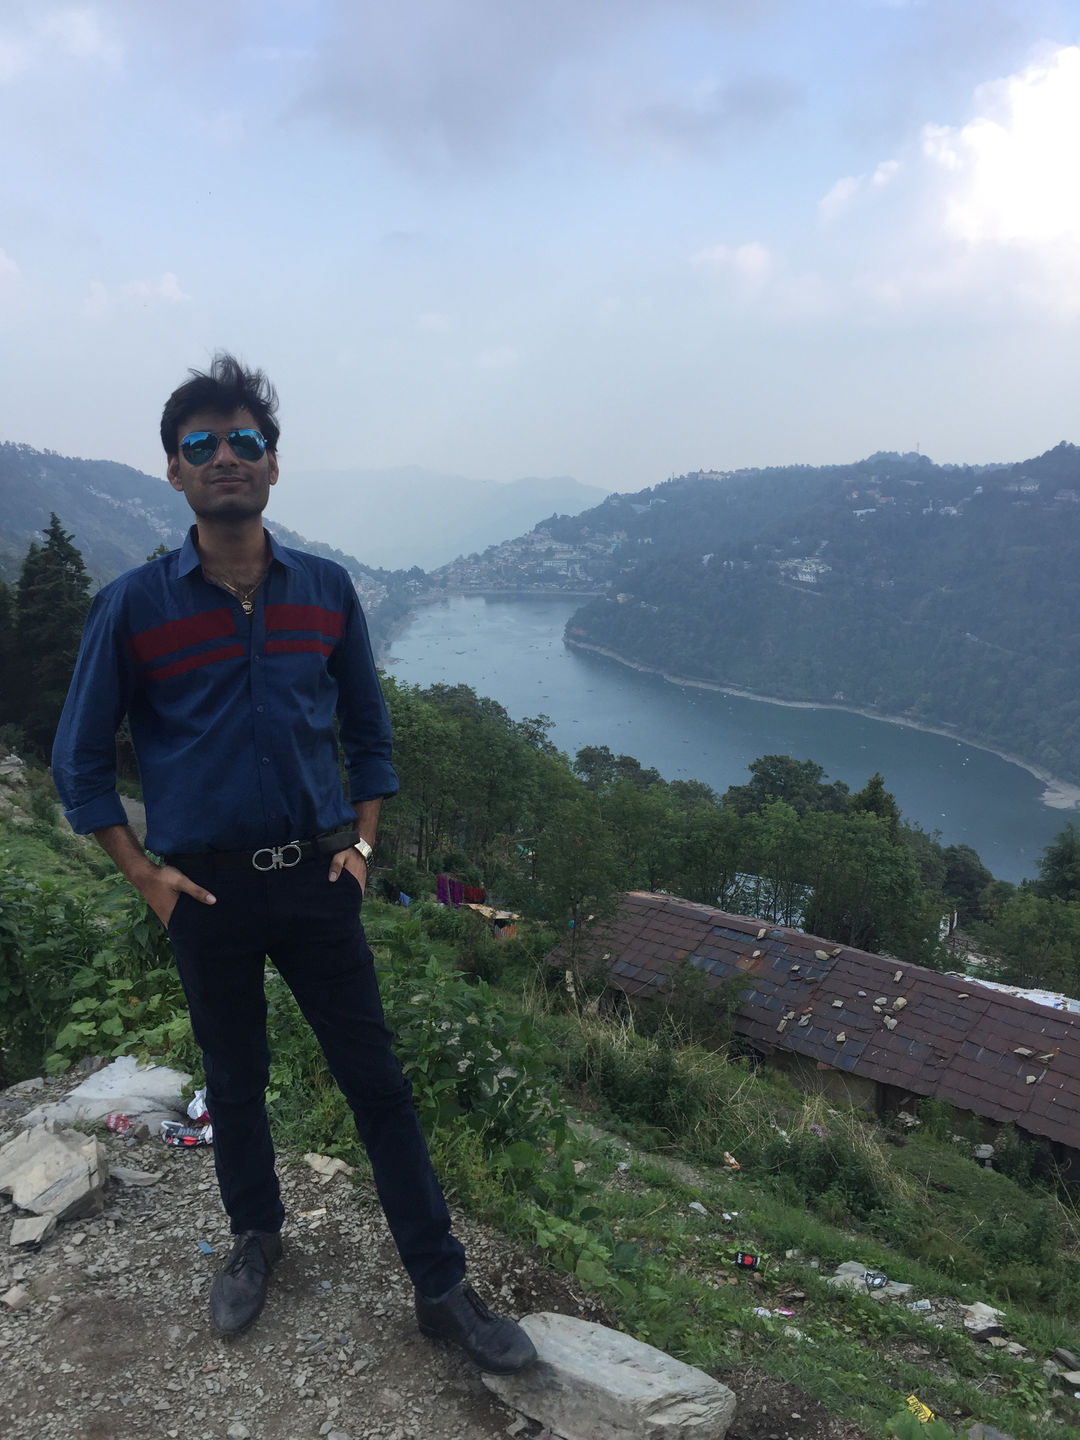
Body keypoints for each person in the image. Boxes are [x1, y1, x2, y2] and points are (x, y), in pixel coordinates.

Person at [51, 353, 536, 1374]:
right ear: (175, 472)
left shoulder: (326, 591)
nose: (225, 455)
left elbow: (370, 734)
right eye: (201, 443)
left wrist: (361, 845)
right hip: (205, 889)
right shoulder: (133, 607)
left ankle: (441, 1288)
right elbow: (78, 761)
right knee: (235, 1080)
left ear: (273, 464)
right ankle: (255, 1237)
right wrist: (146, 878)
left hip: (319, 881)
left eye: (246, 439)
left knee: (378, 1085)